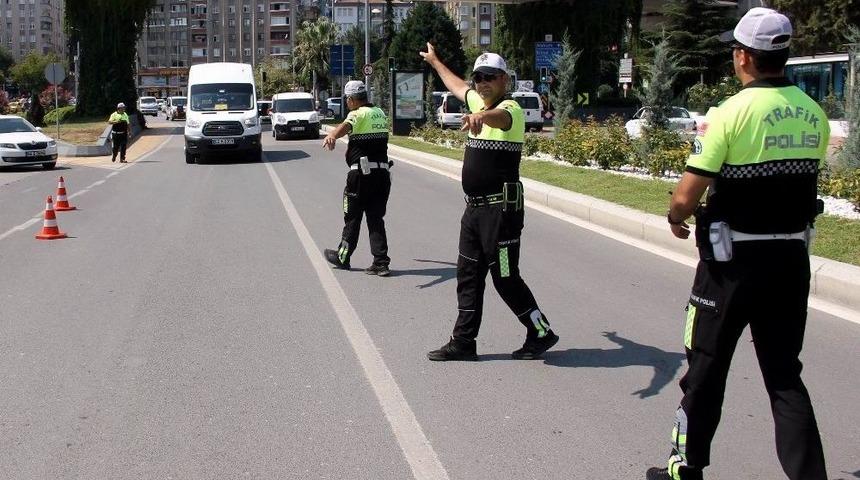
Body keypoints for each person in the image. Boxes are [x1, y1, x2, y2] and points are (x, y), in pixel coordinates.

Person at [647, 8, 829, 480]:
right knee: (784, 374)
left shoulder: (729, 113)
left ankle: (685, 468)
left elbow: (687, 195)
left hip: (731, 265)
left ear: (744, 57)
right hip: (790, 260)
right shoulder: (813, 113)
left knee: (706, 367)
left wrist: (674, 216)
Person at [421, 45, 558, 362]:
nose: (482, 83)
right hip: (474, 210)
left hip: (502, 211)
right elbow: (456, 86)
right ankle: (464, 342)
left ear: (504, 80)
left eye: (490, 77)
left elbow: (500, 117)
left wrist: (480, 116)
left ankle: (540, 330)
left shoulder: (511, 109)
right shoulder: (475, 99)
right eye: (479, 77)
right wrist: (435, 61)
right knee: (467, 274)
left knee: (506, 277)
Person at [321, 80, 392, 276]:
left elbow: (345, 126)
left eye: (347, 99)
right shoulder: (379, 112)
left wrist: (332, 136)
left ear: (351, 99)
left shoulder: (357, 113)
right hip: (382, 174)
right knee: (375, 218)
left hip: (361, 176)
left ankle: (343, 257)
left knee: (352, 217)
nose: (346, 103)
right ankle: (381, 262)